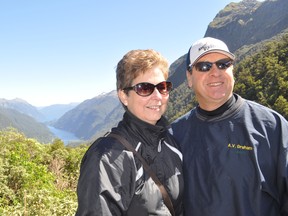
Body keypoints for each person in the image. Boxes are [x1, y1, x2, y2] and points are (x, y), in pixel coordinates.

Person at [170, 37, 288, 216]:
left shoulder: (272, 127)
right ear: (189, 77)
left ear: (232, 69)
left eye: (223, 64)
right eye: (204, 66)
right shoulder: (174, 136)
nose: (215, 72)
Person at [76, 49, 184, 216]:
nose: (157, 96)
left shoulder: (171, 143)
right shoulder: (107, 159)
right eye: (144, 88)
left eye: (162, 87)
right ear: (123, 96)